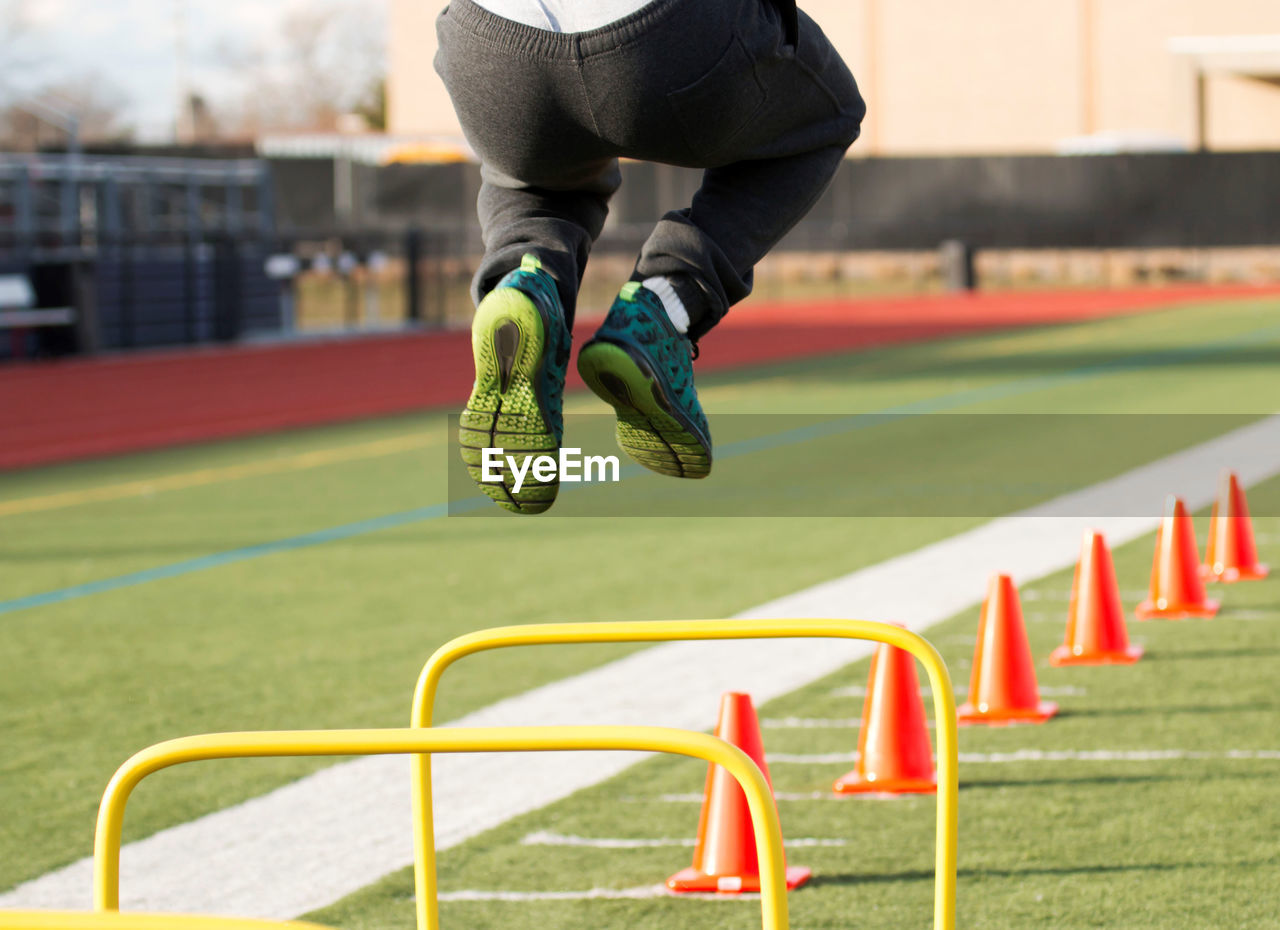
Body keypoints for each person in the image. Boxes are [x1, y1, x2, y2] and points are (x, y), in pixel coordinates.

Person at [443, 0, 865, 513]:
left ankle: (524, 284)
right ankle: (667, 303)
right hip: (663, 39)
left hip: (490, 43)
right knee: (829, 112)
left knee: (535, 179)